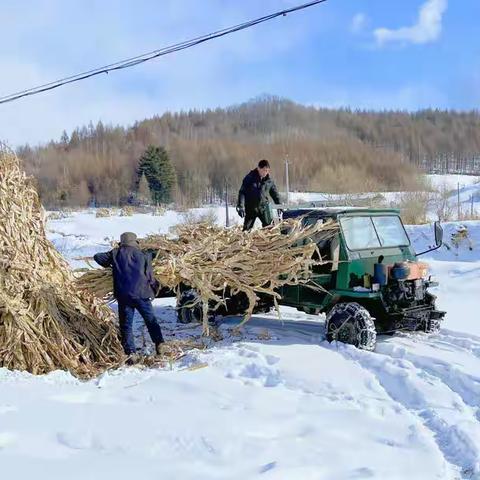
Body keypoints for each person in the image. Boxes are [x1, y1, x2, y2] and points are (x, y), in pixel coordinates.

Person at [94, 232, 164, 359]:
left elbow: (97, 257)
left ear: (122, 242)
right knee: (151, 321)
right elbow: (151, 270)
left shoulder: (115, 253)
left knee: (126, 325)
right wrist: (154, 288)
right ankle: (160, 345)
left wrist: (112, 261)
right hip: (142, 294)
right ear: (135, 242)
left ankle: (131, 353)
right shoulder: (144, 254)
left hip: (124, 295)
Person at [236, 159, 282, 231]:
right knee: (246, 230)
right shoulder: (249, 178)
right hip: (251, 208)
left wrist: (280, 206)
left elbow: (275, 195)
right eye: (264, 170)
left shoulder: (269, 181)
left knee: (269, 229)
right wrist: (240, 206)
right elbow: (242, 192)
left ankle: (267, 241)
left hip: (264, 208)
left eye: (267, 170)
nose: (265, 172)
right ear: (258, 168)